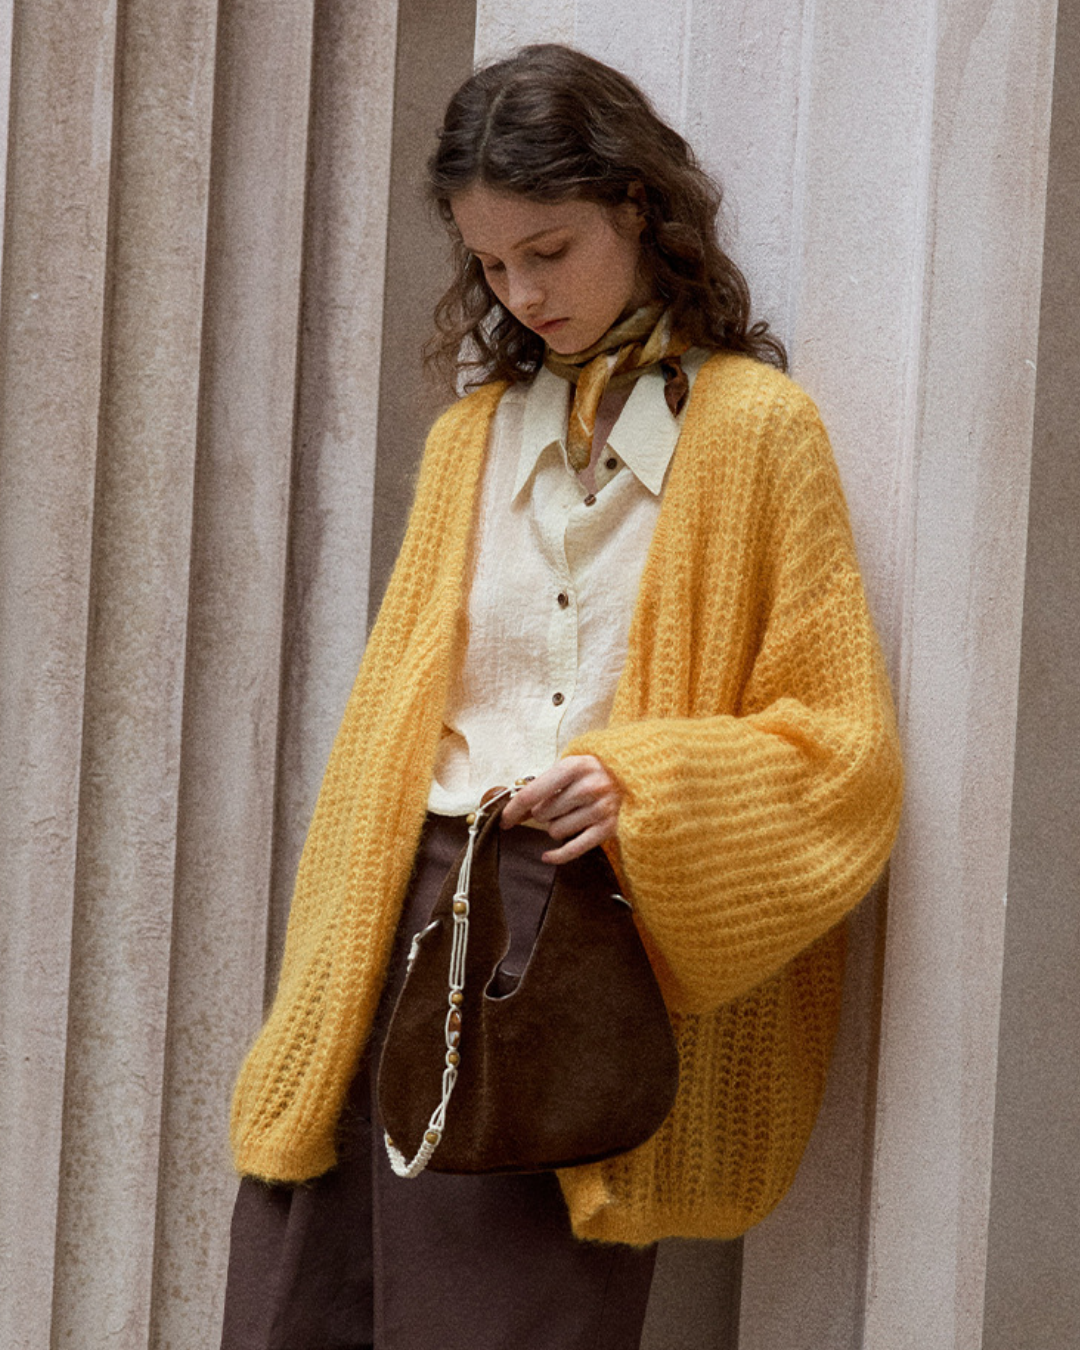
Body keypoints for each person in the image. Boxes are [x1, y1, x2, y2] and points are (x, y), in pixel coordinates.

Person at [220, 43, 903, 1350]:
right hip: (394, 920)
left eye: (550, 250)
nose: (523, 294)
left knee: (507, 1318)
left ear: (638, 207)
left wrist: (650, 786)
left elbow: (842, 754)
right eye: (491, 265)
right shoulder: (469, 441)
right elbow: (388, 735)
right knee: (304, 1307)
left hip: (569, 935)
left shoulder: (757, 434)